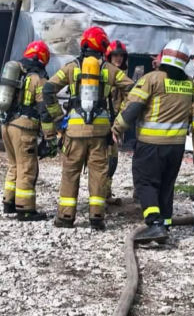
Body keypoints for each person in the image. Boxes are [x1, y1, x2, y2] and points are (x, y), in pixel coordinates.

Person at [43, 27, 133, 231]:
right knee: (99, 173)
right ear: (102, 46)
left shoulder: (71, 67)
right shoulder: (109, 70)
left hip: (73, 132)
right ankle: (97, 217)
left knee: (70, 172)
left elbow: (48, 89)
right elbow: (132, 89)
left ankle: (65, 217)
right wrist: (120, 120)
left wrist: (58, 120)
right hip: (101, 133)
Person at [112, 38, 193, 244]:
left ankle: (154, 223)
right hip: (176, 147)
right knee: (167, 184)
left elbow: (133, 107)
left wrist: (117, 128)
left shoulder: (152, 79)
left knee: (145, 182)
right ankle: (164, 225)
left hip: (151, 144)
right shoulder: (189, 84)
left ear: (164, 56)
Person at [1, 41, 57, 222]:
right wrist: (50, 138)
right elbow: (44, 111)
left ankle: (9, 202)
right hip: (23, 128)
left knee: (14, 165)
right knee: (27, 168)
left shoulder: (18, 73)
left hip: (6, 125)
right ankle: (25, 209)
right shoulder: (38, 79)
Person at [105, 39, 129, 202]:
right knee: (105, 160)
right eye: (115, 55)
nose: (118, 58)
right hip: (102, 123)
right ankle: (101, 194)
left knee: (112, 160)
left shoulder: (123, 77)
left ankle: (105, 193)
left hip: (115, 123)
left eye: (121, 55)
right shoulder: (105, 73)